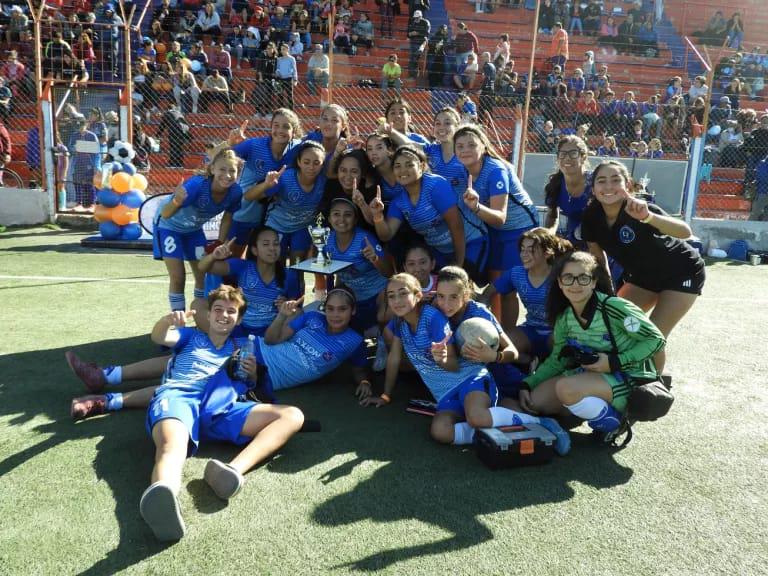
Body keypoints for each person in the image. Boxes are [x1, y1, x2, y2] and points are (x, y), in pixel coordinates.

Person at [138, 286, 305, 540]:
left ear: (238, 319)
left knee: (292, 415)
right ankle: (165, 495)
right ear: (208, 314)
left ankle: (230, 472)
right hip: (180, 397)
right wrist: (166, 321)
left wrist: (252, 375)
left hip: (220, 408)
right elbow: (160, 337)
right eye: (218, 309)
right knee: (173, 445)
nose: (223, 315)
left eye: (231, 311)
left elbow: (252, 387)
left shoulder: (243, 346)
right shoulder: (190, 337)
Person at [363, 273, 570, 452]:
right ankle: (494, 428)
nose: (397, 300)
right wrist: (385, 395)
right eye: (392, 296)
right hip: (445, 394)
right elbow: (394, 358)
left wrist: (442, 358)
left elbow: (452, 364)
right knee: (441, 432)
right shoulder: (399, 322)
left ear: (418, 295)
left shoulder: (434, 317)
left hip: (471, 378)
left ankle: (541, 423)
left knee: (478, 417)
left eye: (403, 294)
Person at [515, 251, 665, 443]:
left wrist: (614, 362)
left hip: (626, 375)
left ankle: (617, 422)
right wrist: (528, 383)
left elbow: (656, 340)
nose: (575, 284)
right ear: (560, 283)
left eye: (583, 278)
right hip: (590, 375)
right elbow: (557, 360)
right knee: (536, 402)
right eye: (568, 278)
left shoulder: (615, 308)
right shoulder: (565, 318)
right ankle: (589, 408)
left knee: (565, 388)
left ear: (594, 282)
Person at [582, 161, 704, 373]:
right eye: (601, 181)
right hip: (642, 277)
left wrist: (648, 217)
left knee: (651, 335)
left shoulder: (638, 208)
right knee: (613, 322)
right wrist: (608, 290)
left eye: (615, 180)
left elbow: (685, 231)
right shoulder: (591, 216)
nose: (608, 187)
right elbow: (598, 256)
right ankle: (622, 378)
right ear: (593, 189)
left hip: (681, 272)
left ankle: (654, 389)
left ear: (627, 185)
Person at [455, 125, 538, 320]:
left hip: (519, 230)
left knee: (508, 287)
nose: (465, 150)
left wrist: (475, 207)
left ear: (483, 146)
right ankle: (494, 330)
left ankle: (510, 337)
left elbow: (500, 218)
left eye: (471, 145)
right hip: (490, 229)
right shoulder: (461, 170)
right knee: (494, 282)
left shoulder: (495, 170)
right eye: (459, 146)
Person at [153, 148, 242, 314]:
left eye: (232, 171)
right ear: (212, 169)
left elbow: (228, 217)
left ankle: (200, 316)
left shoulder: (236, 191)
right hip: (168, 226)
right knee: (178, 277)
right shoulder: (196, 185)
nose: (227, 175)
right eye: (222, 169)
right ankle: (179, 322)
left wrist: (219, 242)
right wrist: (178, 201)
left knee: (203, 273)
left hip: (193, 230)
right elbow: (165, 214)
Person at [368, 145, 466, 268]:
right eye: (397, 166)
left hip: (469, 244)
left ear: (422, 166)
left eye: (409, 165)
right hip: (439, 251)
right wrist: (378, 216)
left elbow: (456, 226)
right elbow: (386, 235)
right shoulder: (399, 202)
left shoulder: (435, 185)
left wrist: (460, 263)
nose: (403, 170)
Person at [198, 227, 303, 337]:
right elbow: (203, 267)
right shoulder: (242, 266)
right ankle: (222, 341)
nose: (272, 248)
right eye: (266, 244)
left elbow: (296, 305)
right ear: (254, 250)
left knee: (298, 313)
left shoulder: (289, 275)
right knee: (198, 304)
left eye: (276, 244)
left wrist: (286, 305)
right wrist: (213, 256)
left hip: (269, 332)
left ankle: (268, 346)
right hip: (238, 328)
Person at [221, 110, 303, 249]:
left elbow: (316, 144)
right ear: (270, 127)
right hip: (243, 212)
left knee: (257, 260)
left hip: (268, 219)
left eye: (286, 126)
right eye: (276, 125)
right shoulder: (254, 145)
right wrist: (229, 144)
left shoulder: (296, 149)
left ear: (294, 131)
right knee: (231, 257)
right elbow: (221, 159)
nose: (280, 130)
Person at [243, 141, 327, 263]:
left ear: (322, 165)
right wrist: (266, 185)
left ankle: (298, 282)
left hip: (302, 228)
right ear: (298, 162)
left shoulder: (324, 182)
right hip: (277, 226)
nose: (311, 167)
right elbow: (248, 196)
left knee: (297, 268)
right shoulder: (285, 178)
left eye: (316, 163)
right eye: (306, 162)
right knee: (276, 266)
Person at [325, 197, 393, 333]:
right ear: (329, 218)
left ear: (355, 220)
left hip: (378, 294)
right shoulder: (326, 239)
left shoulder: (365, 239)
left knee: (382, 318)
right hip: (352, 298)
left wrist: (375, 258)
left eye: (348, 215)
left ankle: (383, 346)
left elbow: (389, 273)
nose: (342, 219)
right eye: (336, 214)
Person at [543, 135, 592, 244]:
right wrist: (549, 234)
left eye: (573, 153)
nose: (567, 158)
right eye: (562, 154)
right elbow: (552, 216)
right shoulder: (556, 184)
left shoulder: (596, 183)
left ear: (583, 157)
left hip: (599, 241)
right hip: (572, 241)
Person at [406, 10, 430, 78]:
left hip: (421, 43)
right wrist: (410, 34)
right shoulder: (412, 22)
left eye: (417, 17)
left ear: (421, 16)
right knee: (412, 59)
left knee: (415, 57)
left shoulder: (426, 22)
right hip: (413, 42)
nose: (416, 18)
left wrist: (417, 33)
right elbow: (408, 33)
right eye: (415, 17)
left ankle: (416, 74)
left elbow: (427, 33)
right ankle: (412, 75)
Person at [478, 52, 497, 124]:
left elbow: (487, 78)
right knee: (489, 107)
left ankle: (480, 123)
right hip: (491, 89)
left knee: (481, 107)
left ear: (486, 57)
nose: (482, 59)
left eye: (483, 57)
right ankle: (490, 124)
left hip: (486, 89)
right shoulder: (493, 65)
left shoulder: (486, 66)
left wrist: (481, 89)